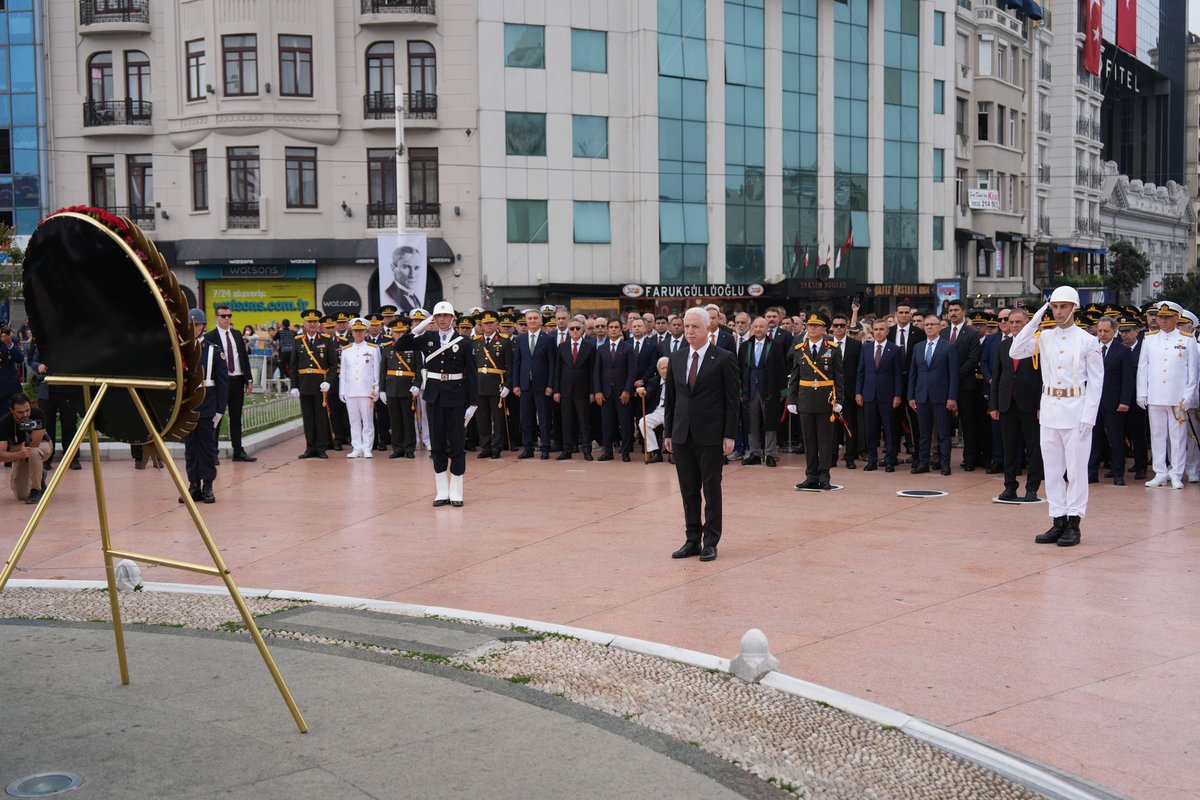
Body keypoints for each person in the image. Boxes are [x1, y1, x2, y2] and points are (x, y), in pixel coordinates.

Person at [1010, 287, 1104, 547]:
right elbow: (1015, 351)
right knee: (1051, 470)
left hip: (1076, 409)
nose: (1059, 311)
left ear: (1074, 308)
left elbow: (1096, 382)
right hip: (1050, 408)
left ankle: (1074, 522)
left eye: (1064, 306)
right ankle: (1057, 519)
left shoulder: (1087, 340)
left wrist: (1089, 416)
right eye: (1055, 306)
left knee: (1075, 470)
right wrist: (1036, 318)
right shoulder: (1045, 336)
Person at [665, 307, 740, 562]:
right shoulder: (676, 358)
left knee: (711, 490)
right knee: (688, 490)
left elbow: (732, 401)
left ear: (708, 328)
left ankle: (711, 542)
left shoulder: (724, 358)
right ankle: (691, 539)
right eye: (686, 326)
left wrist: (729, 435)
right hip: (682, 434)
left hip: (710, 435)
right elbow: (672, 400)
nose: (689, 331)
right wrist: (669, 433)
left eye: (695, 326)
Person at [393, 301, 478, 507]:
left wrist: (473, 403)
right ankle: (442, 491)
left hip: (457, 397)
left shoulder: (464, 342)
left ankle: (456, 491)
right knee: (437, 444)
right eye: (438, 317)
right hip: (434, 397)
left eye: (446, 316)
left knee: (457, 444)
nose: (442, 320)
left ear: (452, 319)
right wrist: (421, 325)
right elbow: (399, 346)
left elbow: (472, 375)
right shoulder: (427, 338)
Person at [1137, 301, 1200, 489]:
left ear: (1176, 318)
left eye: (1166, 317)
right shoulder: (1149, 339)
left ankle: (1176, 473)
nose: (1162, 321)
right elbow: (1143, 368)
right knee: (1157, 436)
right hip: (1155, 395)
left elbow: (1192, 373)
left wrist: (1188, 396)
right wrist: (1142, 393)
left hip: (1177, 397)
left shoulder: (1187, 339)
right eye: (1160, 317)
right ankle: (1160, 472)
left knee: (1178, 437)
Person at [988, 308, 1044, 502]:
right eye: (1011, 322)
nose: (1014, 326)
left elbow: (1043, 378)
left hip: (1029, 404)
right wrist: (993, 405)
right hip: (1007, 404)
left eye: (1018, 322)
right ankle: (1009, 486)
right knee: (1009, 448)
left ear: (1027, 323)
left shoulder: (1037, 344)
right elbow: (997, 376)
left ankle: (1032, 488)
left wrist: (1040, 405)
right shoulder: (1003, 346)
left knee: (1033, 448)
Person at [787, 311, 844, 490]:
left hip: (826, 400)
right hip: (805, 400)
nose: (812, 329)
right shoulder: (799, 349)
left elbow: (839, 377)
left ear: (824, 329)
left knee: (825, 441)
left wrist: (839, 400)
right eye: (810, 326)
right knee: (809, 440)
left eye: (816, 326)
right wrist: (792, 400)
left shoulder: (832, 348)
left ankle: (824, 475)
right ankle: (811, 475)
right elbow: (794, 377)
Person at [181, 308, 228, 504]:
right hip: (188, 406)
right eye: (191, 326)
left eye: (198, 325)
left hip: (208, 405)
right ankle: (193, 485)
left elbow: (223, 383)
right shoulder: (181, 350)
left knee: (208, 447)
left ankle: (208, 485)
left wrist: (219, 410)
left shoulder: (214, 351)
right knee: (190, 448)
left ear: (204, 327)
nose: (195, 329)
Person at [205, 303, 257, 462]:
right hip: (220, 383)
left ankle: (238, 451)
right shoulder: (210, 337)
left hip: (237, 381)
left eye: (229, 316)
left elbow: (243, 358)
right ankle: (212, 452)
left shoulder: (236, 335)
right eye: (223, 316)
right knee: (216, 417)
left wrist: (249, 379)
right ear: (217, 317)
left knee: (236, 418)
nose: (227, 319)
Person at [908, 313, 959, 475]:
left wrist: (952, 397)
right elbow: (913, 374)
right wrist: (911, 396)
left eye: (933, 324)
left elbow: (953, 374)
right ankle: (923, 463)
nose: (929, 327)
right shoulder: (918, 347)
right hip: (921, 396)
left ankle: (945, 464)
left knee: (943, 433)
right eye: (927, 325)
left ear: (939, 327)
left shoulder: (948, 346)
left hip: (941, 397)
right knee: (923, 434)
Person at [1088, 316, 1134, 486]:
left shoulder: (1122, 350)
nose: (1102, 334)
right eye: (1099, 331)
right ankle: (1091, 472)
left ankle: (1118, 474)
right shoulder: (1091, 349)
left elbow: (1128, 379)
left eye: (1106, 331)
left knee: (1116, 439)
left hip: (1114, 402)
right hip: (1093, 402)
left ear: (1114, 331)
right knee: (1093, 439)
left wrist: (1124, 401)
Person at [856, 319, 904, 472]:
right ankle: (872, 460)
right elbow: (861, 372)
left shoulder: (895, 349)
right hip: (869, 394)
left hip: (888, 396)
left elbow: (898, 375)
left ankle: (890, 460)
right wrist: (858, 392)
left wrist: (897, 395)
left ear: (887, 331)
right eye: (875, 329)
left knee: (889, 429)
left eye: (881, 329)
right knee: (870, 429)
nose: (878, 332)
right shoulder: (866, 349)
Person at [740, 317, 786, 467]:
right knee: (751, 422)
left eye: (761, 326)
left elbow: (781, 369)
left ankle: (770, 454)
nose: (758, 329)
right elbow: (740, 370)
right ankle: (754, 453)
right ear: (752, 328)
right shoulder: (745, 346)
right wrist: (741, 390)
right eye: (756, 326)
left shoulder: (775, 346)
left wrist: (783, 392)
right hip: (750, 390)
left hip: (770, 389)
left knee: (770, 421)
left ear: (767, 329)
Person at [289, 308, 335, 459]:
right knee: (308, 417)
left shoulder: (326, 340)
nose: (312, 324)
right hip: (304, 384)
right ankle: (310, 447)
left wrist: (328, 382)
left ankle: (321, 448)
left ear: (318, 324)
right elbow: (293, 366)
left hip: (320, 385)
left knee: (321, 418)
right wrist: (294, 386)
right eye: (309, 322)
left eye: (315, 321)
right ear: (304, 324)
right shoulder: (297, 341)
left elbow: (333, 365)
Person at [511, 309, 556, 459]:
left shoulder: (548, 339)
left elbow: (552, 365)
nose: (532, 321)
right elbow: (516, 363)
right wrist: (516, 384)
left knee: (543, 418)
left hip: (542, 385)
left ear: (541, 321)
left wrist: (550, 385)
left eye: (535, 318)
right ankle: (528, 448)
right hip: (524, 385)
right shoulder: (521, 339)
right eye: (529, 318)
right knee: (526, 418)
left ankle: (545, 447)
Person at [943, 300, 983, 470]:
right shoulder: (943, 333)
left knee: (967, 424)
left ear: (963, 312)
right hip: (944, 386)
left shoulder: (971, 334)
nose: (953, 313)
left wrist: (954, 376)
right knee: (944, 424)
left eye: (956, 310)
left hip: (965, 385)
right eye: (951, 310)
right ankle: (943, 460)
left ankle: (969, 460)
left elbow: (973, 360)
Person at [553, 317, 597, 460]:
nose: (575, 331)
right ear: (569, 331)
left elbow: (593, 371)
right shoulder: (562, 347)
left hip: (583, 391)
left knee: (584, 422)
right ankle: (567, 450)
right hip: (565, 390)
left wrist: (592, 391)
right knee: (566, 422)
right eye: (572, 329)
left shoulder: (589, 346)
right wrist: (557, 390)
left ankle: (586, 450)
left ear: (583, 329)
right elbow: (557, 370)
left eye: (577, 328)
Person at [593, 318, 636, 461]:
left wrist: (627, 390)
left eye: (616, 327)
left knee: (625, 424)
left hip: (622, 392)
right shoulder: (601, 348)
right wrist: (598, 391)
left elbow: (632, 372)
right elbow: (597, 371)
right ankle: (607, 452)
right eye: (610, 327)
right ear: (607, 329)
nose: (613, 329)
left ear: (620, 329)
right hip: (605, 393)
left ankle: (625, 452)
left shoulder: (628, 347)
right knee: (607, 424)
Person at [338, 317, 381, 458]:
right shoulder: (346, 350)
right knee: (354, 421)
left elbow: (377, 371)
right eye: (355, 331)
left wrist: (376, 388)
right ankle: (356, 447)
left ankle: (367, 447)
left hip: (367, 390)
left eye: (360, 331)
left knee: (368, 421)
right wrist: (342, 390)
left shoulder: (373, 349)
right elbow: (343, 372)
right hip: (351, 391)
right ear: (352, 332)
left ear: (366, 332)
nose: (358, 333)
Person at [0, 392, 52, 504]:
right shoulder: (4, 422)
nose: (25, 414)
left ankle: (36, 490)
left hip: (42, 445)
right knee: (21, 495)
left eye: (27, 410)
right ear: (11, 410)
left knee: (32, 451)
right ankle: (41, 475)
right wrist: (18, 454)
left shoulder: (38, 413)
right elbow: (0, 455)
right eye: (20, 412)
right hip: (21, 453)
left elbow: (35, 442)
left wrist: (11, 449)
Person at [829, 312, 862, 468]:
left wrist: (858, 392)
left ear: (847, 327)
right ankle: (832, 457)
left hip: (849, 392)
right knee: (832, 428)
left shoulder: (856, 345)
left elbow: (860, 370)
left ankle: (850, 458)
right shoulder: (826, 344)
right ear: (832, 327)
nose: (839, 328)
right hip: (830, 394)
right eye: (836, 325)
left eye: (842, 325)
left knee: (850, 426)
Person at [635, 356, 669, 463]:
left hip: (673, 411)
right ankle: (655, 451)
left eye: (667, 367)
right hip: (658, 411)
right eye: (662, 368)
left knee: (676, 423)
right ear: (658, 370)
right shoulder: (654, 381)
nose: (665, 370)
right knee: (643, 422)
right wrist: (643, 392)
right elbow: (648, 392)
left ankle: (673, 453)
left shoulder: (677, 379)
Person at [382, 245, 423, 312]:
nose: (412, 274)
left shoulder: (414, 297)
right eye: (406, 267)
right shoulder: (389, 295)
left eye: (416, 268)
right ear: (393, 267)